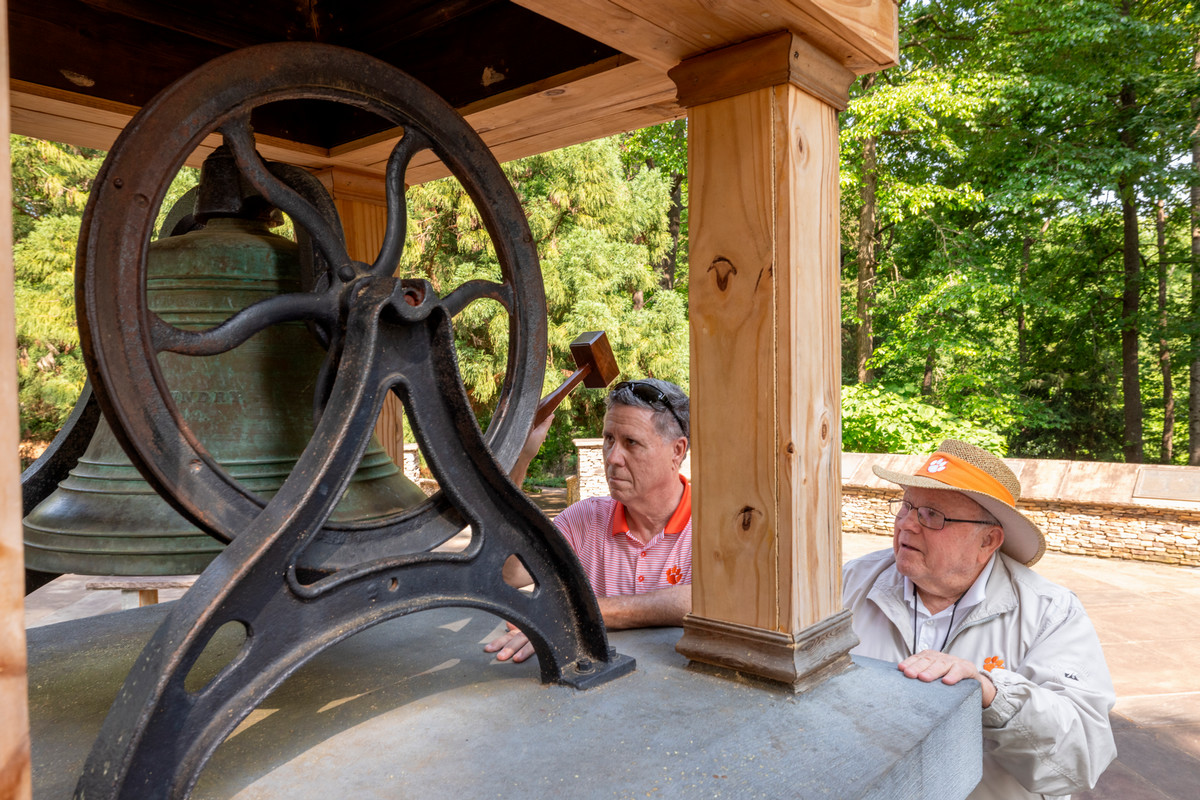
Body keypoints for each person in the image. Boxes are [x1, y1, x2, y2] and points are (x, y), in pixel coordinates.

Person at [842, 439, 1116, 800]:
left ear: (988, 540)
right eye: (906, 506)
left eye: (932, 515)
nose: (906, 525)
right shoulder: (849, 582)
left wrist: (992, 694)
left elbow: (1080, 761)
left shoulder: (1050, 612)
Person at [486, 378, 692, 664]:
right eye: (609, 439)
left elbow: (705, 602)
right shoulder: (584, 518)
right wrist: (522, 458)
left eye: (631, 442)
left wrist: (571, 613)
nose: (613, 458)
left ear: (677, 451)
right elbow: (511, 572)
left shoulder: (714, 526)